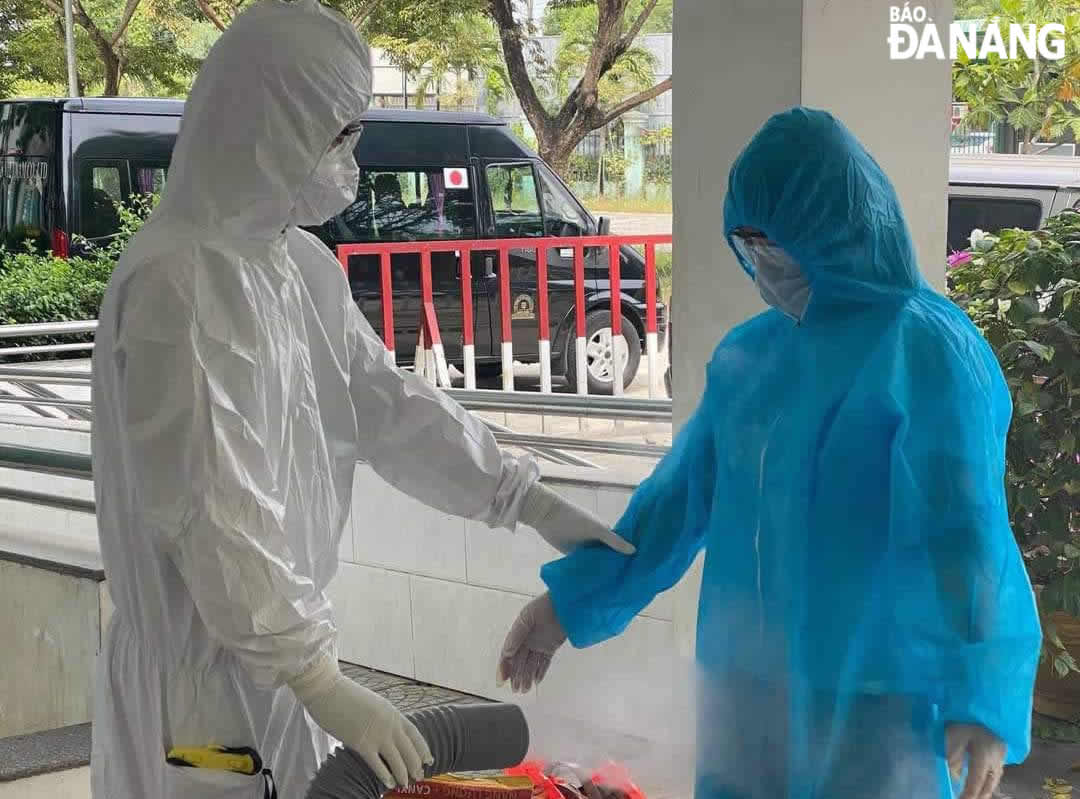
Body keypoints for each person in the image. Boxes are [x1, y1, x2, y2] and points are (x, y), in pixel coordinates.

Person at [89, 3, 631, 797]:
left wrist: (525, 498)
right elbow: (211, 513)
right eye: (340, 133)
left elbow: (389, 404)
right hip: (199, 694)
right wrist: (317, 679)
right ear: (273, 130)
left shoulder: (295, 266)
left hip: (284, 668)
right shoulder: (178, 283)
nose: (355, 154)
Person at [497, 108, 1042, 799]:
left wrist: (981, 688)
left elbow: (966, 536)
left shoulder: (925, 349)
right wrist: (568, 603)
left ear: (838, 226)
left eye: (778, 240)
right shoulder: (749, 357)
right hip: (745, 698)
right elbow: (673, 505)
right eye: (749, 242)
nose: (765, 261)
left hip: (873, 706)